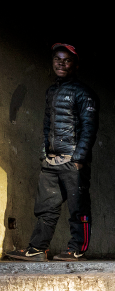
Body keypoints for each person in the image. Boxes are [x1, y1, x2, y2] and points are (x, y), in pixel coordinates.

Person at [7, 43, 98, 262]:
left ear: (75, 65)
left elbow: (89, 127)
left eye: (66, 60)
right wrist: (43, 154)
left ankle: (77, 249)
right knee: (46, 208)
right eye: (57, 59)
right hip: (51, 161)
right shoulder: (51, 91)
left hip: (72, 161)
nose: (60, 63)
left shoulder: (83, 92)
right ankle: (37, 249)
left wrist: (79, 159)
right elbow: (47, 125)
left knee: (79, 209)